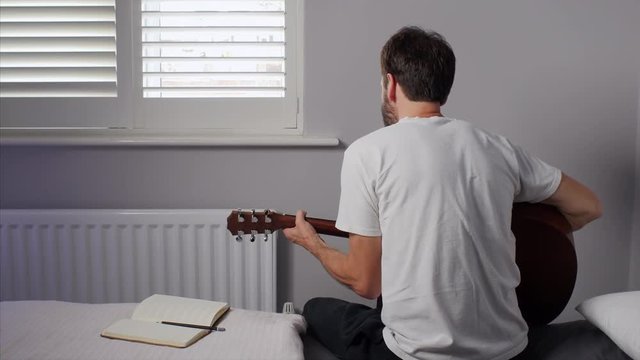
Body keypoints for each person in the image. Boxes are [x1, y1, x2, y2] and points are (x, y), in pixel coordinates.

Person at [283, 26, 602, 360]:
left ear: (390, 85)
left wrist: (313, 244)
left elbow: (366, 283)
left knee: (316, 309)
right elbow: (588, 206)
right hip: (509, 350)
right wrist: (525, 235)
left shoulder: (368, 153)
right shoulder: (497, 148)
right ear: (443, 92)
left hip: (414, 356)